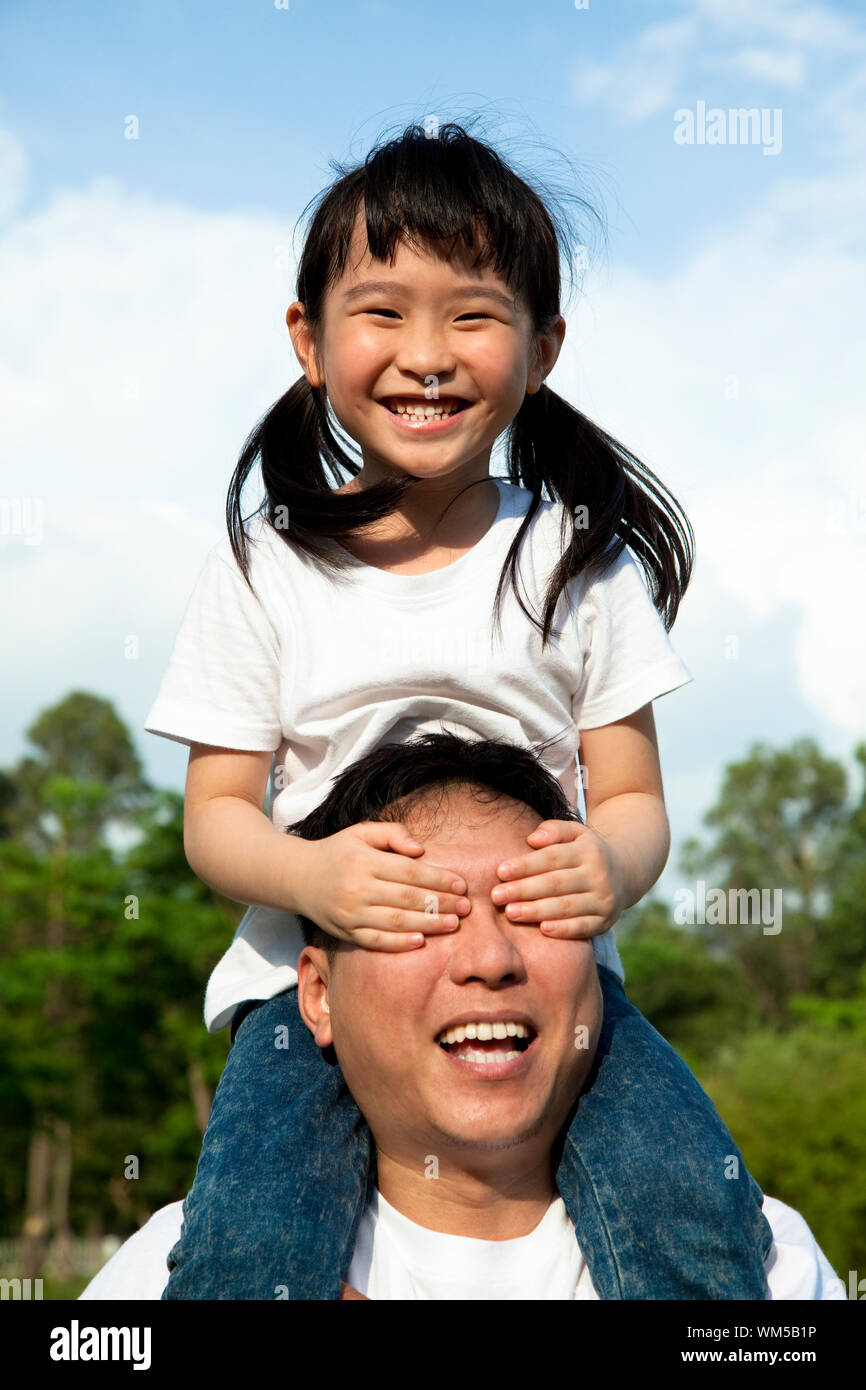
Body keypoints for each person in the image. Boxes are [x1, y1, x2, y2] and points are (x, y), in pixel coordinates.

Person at [142, 118, 773, 1299]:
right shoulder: (264, 564)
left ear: (540, 350)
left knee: (692, 1210)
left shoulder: (575, 560)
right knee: (246, 1248)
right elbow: (215, 818)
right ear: (308, 341)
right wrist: (314, 880)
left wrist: (609, 869)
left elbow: (631, 796)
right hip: (306, 985)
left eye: (472, 315)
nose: (424, 353)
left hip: (540, 986)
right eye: (381, 311)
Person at [81, 735, 845, 1300]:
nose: (490, 958)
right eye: (425, 912)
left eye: (533, 906)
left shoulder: (762, 1266)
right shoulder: (177, 1276)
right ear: (316, 994)